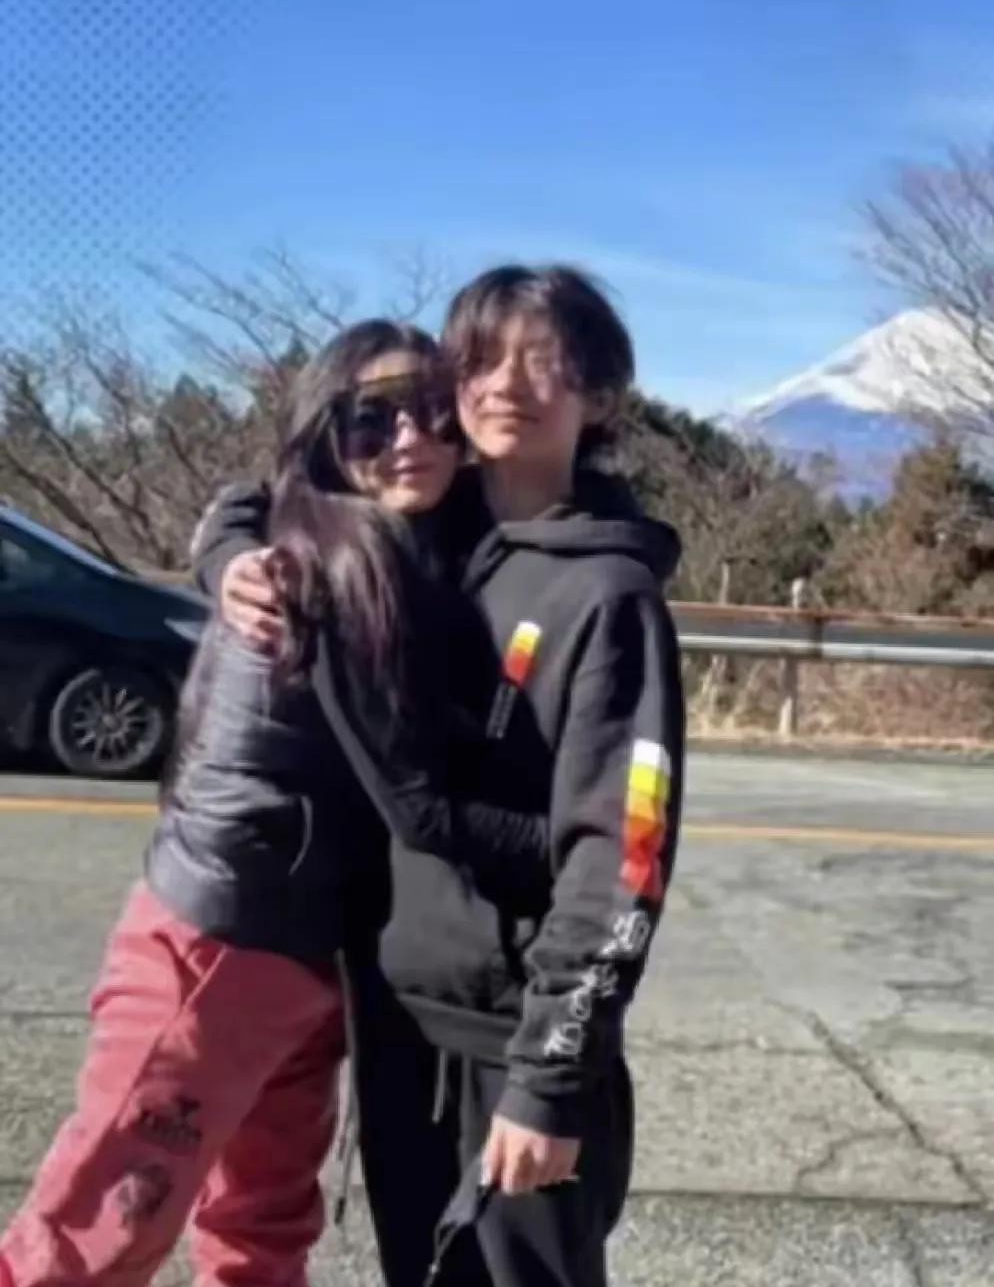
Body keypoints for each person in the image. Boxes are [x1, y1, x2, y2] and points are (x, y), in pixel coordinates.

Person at [0, 318, 547, 1287]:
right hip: (222, 947)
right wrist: (573, 850)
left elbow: (246, 501)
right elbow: (419, 798)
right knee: (99, 1227)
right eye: (373, 417)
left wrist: (223, 543)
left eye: (434, 411)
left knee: (264, 1221)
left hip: (307, 952)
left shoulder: (403, 546)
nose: (411, 437)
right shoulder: (317, 569)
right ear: (324, 432)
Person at [192, 264, 686, 1287]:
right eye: (481, 359)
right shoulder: (433, 535)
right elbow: (287, 491)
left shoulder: (608, 595)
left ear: (599, 397)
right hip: (398, 1022)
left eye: (544, 361)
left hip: (513, 1041)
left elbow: (624, 858)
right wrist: (227, 554)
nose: (505, 383)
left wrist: (551, 1081)